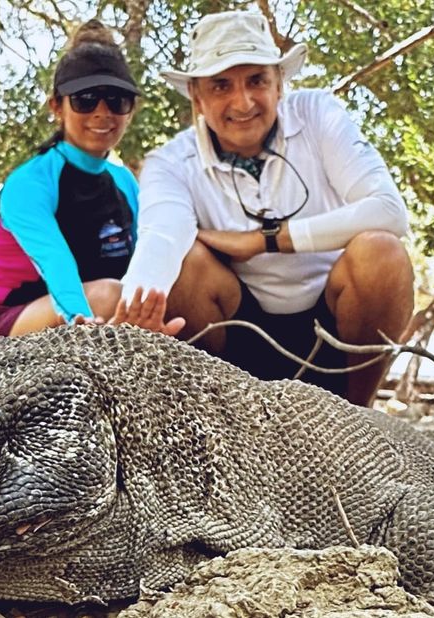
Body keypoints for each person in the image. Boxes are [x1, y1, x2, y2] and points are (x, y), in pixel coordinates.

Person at [118, 10, 414, 406]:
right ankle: (220, 411)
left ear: (279, 84)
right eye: (221, 85)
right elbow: (161, 237)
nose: (243, 103)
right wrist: (131, 310)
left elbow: (390, 211)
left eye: (256, 80)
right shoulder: (170, 162)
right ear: (197, 96)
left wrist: (264, 240)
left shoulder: (318, 113)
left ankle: (361, 411)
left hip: (335, 321)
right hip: (237, 335)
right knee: (188, 261)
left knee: (381, 251)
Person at [0, 20, 142, 346]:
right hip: (0, 321)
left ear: (131, 109)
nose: (102, 112)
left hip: (90, 311)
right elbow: (56, 262)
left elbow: (142, 264)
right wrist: (81, 321)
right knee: (111, 297)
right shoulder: (31, 182)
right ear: (57, 106)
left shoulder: (125, 183)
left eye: (117, 99)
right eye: (85, 99)